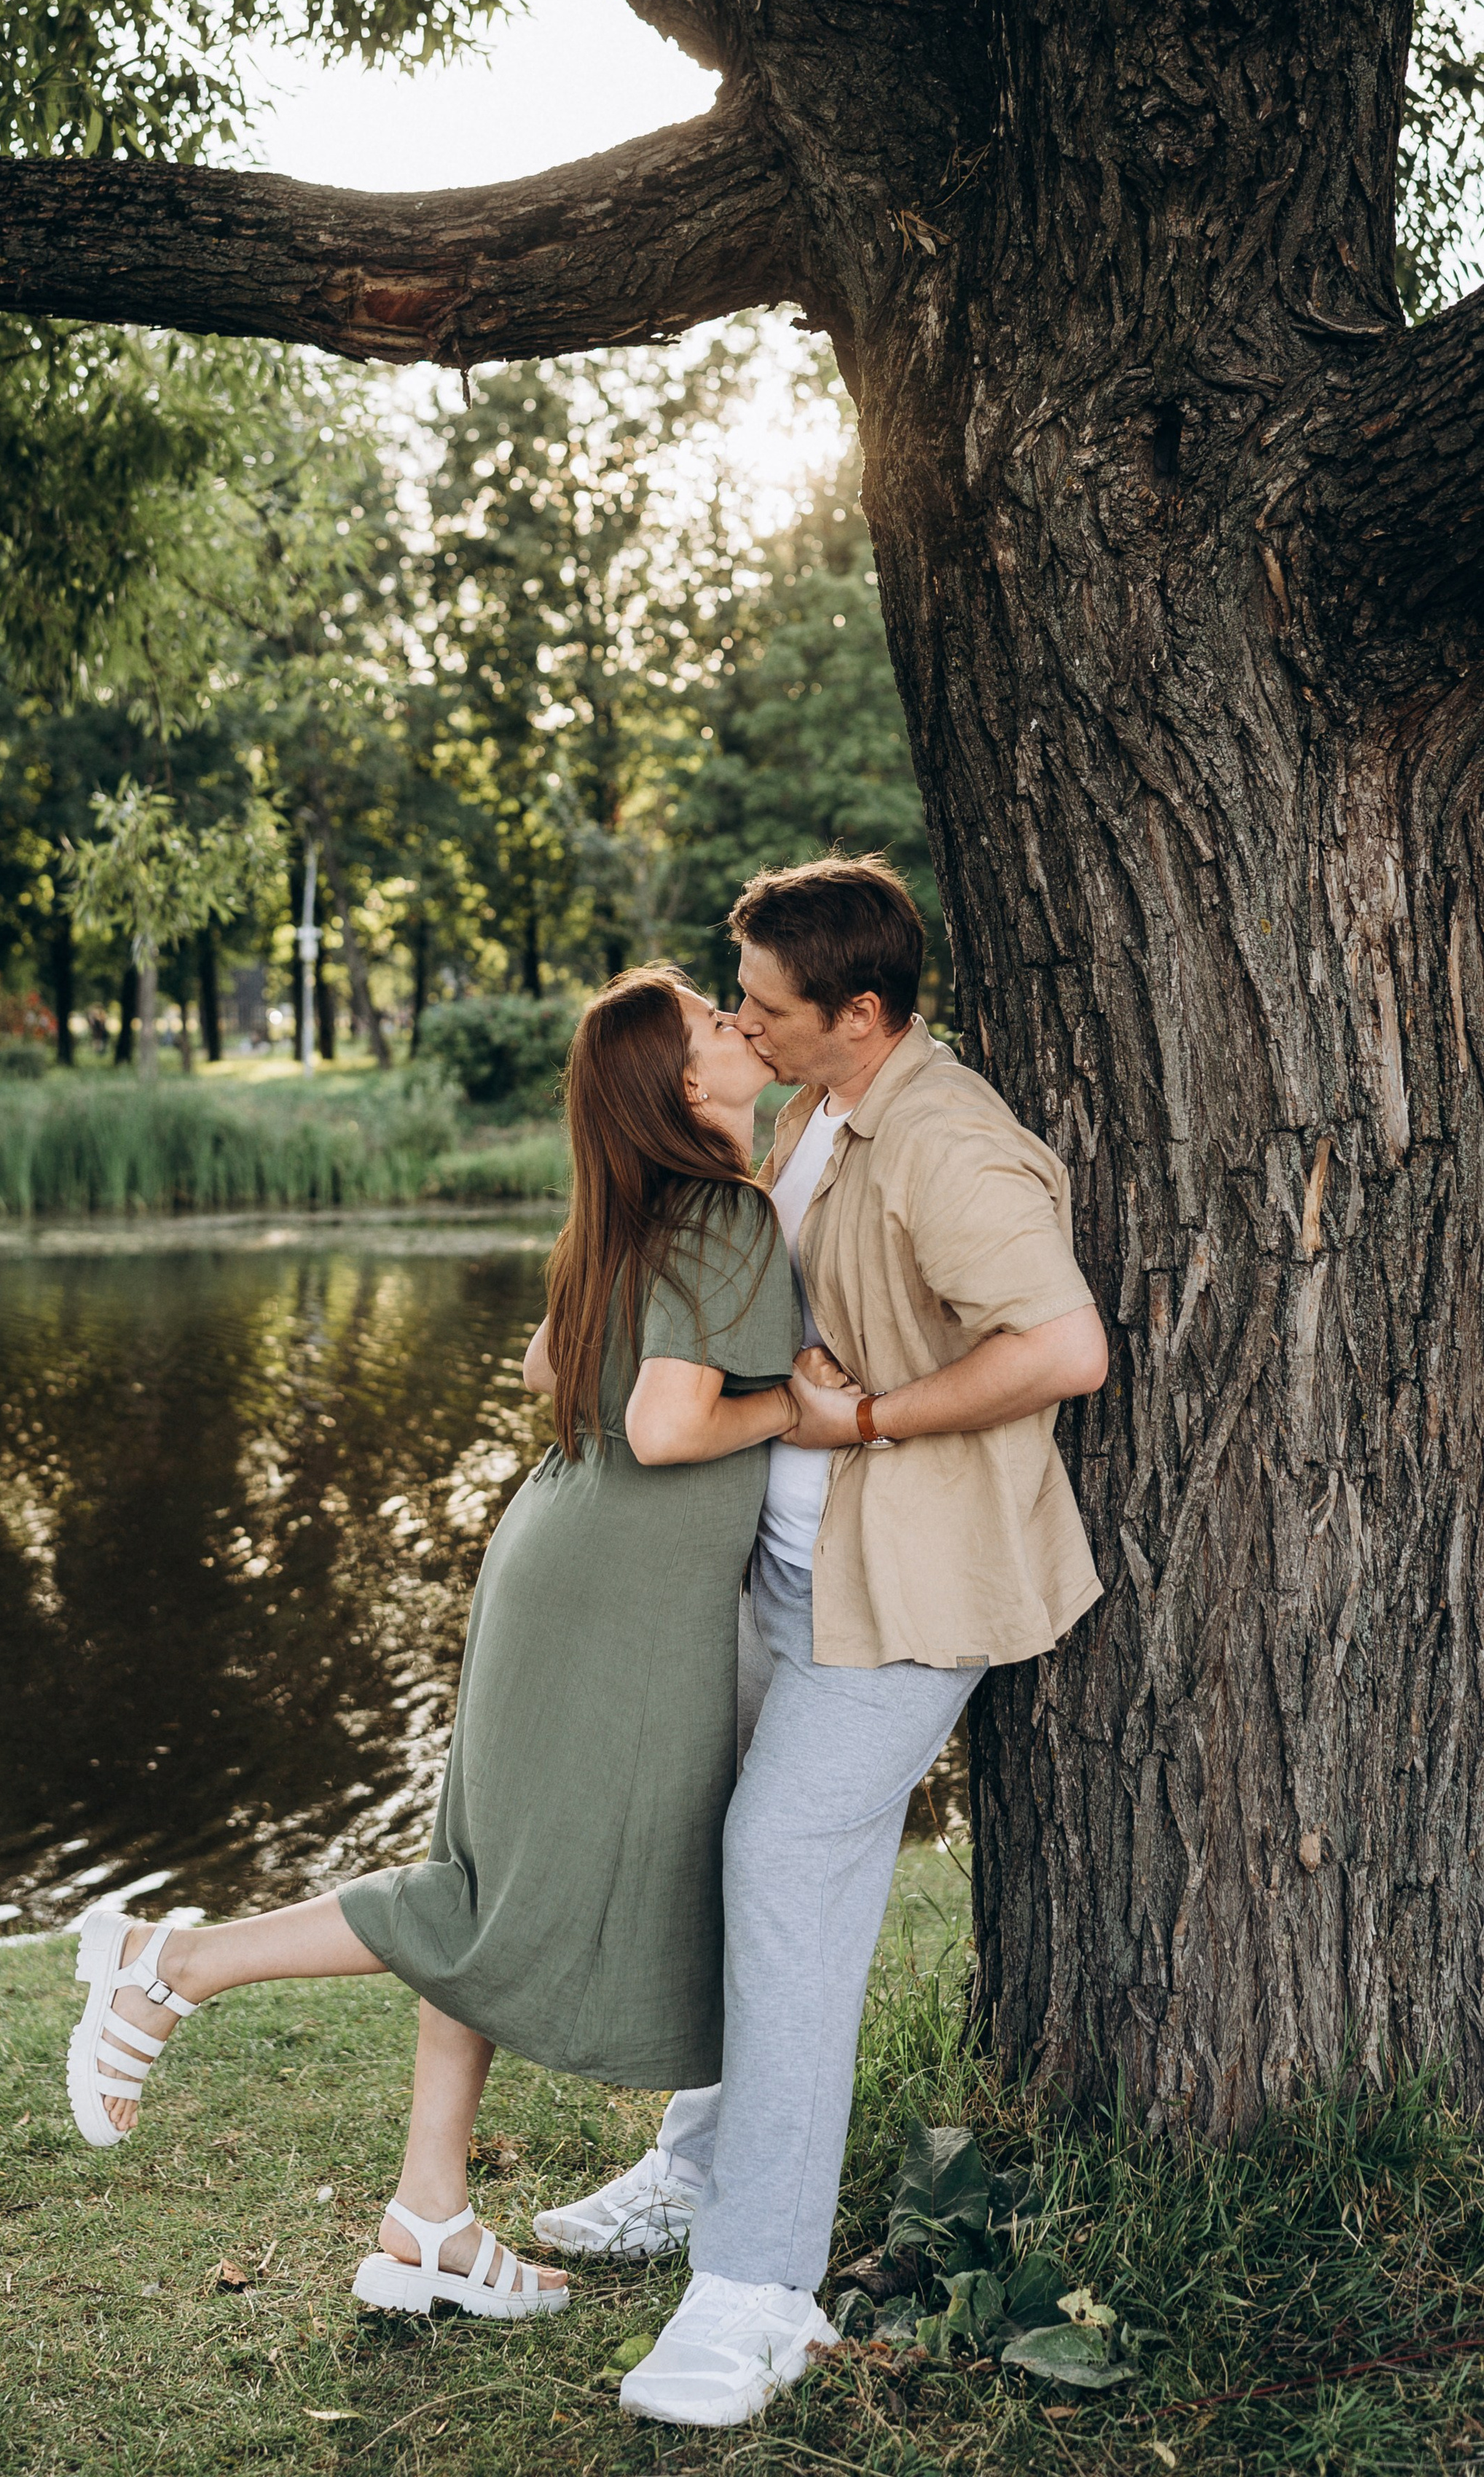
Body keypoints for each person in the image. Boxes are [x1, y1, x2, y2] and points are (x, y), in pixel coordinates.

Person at [61, 966, 800, 2321]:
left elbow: (541, 1370)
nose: (740, 1024)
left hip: (561, 1561)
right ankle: (173, 1964)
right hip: (617, 1599)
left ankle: (430, 2222)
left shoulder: (638, 1214)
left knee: (480, 1873)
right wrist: (811, 1410)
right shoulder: (727, 1215)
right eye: (712, 1022)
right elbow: (668, 1429)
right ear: (685, 1089)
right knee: (500, 1902)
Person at [537, 856, 1111, 2428]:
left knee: (781, 1872)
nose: (741, 1023)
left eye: (766, 1008)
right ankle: (698, 2161)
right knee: (721, 1856)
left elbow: (1063, 1346)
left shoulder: (945, 1141)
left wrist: (870, 1419)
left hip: (905, 1595)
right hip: (784, 1580)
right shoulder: (818, 1110)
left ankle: (758, 2293)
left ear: (858, 1013)